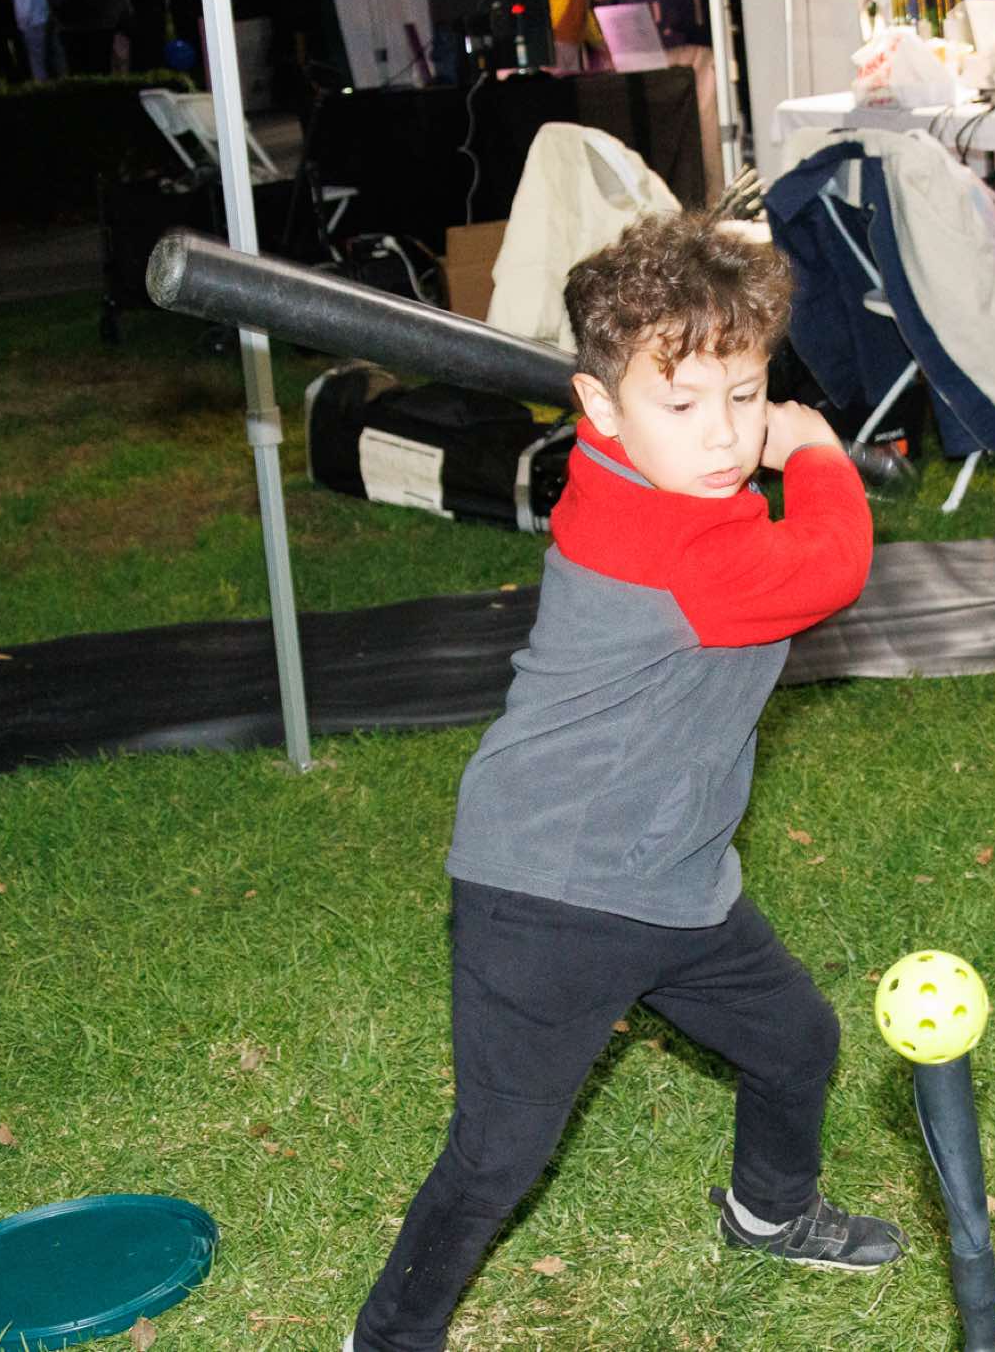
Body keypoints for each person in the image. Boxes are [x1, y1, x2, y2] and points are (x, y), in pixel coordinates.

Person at [343, 211, 899, 1352]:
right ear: (598, 408)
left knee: (796, 1040)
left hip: (671, 874)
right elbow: (832, 561)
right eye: (680, 405)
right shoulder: (683, 545)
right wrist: (816, 456)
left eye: (745, 393)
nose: (723, 434)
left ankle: (769, 1211)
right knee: (497, 1154)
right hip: (550, 890)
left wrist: (690, 393)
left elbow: (699, 452)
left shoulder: (611, 470)